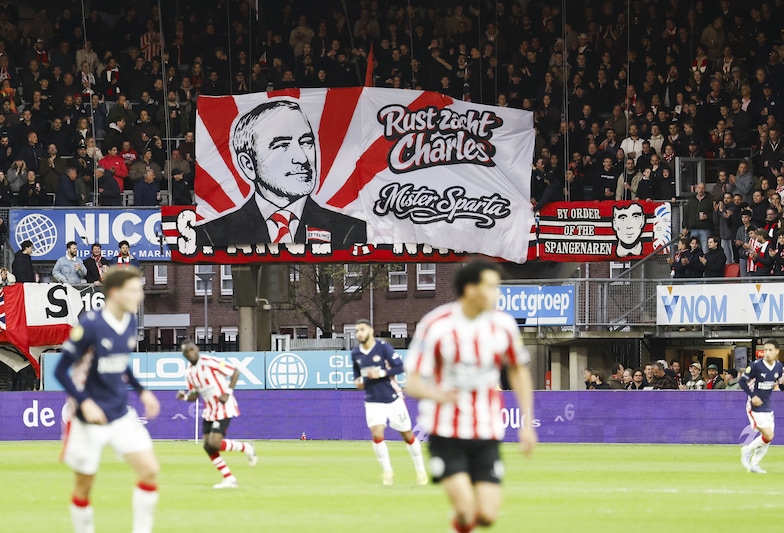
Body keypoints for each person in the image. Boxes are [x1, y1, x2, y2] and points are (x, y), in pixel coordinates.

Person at [404, 261, 536, 533]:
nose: (496, 293)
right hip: (446, 431)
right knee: (466, 510)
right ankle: (462, 517)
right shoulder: (436, 325)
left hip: (486, 431)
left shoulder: (503, 325)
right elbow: (412, 383)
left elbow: (518, 371)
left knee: (486, 515)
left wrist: (527, 423)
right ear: (470, 289)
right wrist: (436, 394)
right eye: (491, 287)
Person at [54, 267, 160, 533]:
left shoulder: (130, 322)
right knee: (84, 486)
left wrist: (142, 391)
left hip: (120, 412)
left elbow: (121, 362)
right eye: (133, 290)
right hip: (87, 418)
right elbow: (60, 371)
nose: (140, 295)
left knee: (149, 470)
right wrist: (85, 402)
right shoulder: (90, 325)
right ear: (114, 293)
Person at [195, 100, 367, 248]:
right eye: (282, 145)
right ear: (248, 164)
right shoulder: (212, 235)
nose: (301, 158)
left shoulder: (350, 231)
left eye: (306, 142)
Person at [352, 318, 427, 486]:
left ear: (371, 330)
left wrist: (380, 374)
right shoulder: (356, 354)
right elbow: (357, 377)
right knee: (377, 434)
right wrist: (359, 382)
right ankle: (387, 471)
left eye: (362, 329)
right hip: (372, 400)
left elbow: (399, 367)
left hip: (392, 398)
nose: (359, 333)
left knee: (407, 435)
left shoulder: (383, 348)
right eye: (356, 331)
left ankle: (420, 470)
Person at [176, 341, 258, 489]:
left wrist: (228, 392)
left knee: (214, 443)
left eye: (192, 349)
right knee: (208, 446)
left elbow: (235, 372)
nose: (190, 353)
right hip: (209, 410)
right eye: (187, 352)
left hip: (224, 406)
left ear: (197, 349)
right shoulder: (189, 373)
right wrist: (185, 397)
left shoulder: (210, 362)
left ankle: (246, 447)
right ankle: (229, 478)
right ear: (184, 355)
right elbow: (195, 394)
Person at [740, 339, 784, 474]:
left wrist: (781, 384)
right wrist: (753, 396)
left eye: (770, 350)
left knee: (767, 438)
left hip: (767, 406)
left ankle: (754, 464)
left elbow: (779, 384)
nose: (767, 353)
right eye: (765, 350)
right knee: (769, 435)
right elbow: (742, 381)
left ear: (777, 352)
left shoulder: (778, 367)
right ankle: (747, 450)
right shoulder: (756, 366)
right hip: (754, 406)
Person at [683, 182, 715, 248]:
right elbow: (686, 214)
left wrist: (707, 216)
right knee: (693, 249)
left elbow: (714, 213)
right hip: (693, 228)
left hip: (705, 229)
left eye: (702, 188)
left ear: (705, 189)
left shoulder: (710, 200)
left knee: (705, 249)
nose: (701, 190)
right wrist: (685, 226)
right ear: (696, 188)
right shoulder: (691, 200)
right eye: (699, 188)